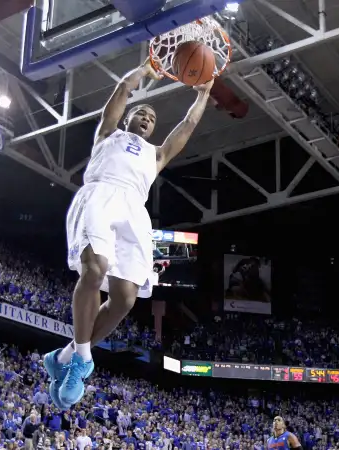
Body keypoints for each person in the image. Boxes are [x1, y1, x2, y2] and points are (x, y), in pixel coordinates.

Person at [43, 58, 214, 409]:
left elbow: (188, 124)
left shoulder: (157, 154)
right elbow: (122, 90)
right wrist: (142, 72)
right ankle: (82, 361)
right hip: (102, 193)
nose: (148, 118)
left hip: (134, 210)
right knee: (95, 269)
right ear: (128, 118)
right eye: (142, 113)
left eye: (152, 118)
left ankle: (63, 357)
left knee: (125, 299)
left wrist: (204, 93)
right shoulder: (109, 133)